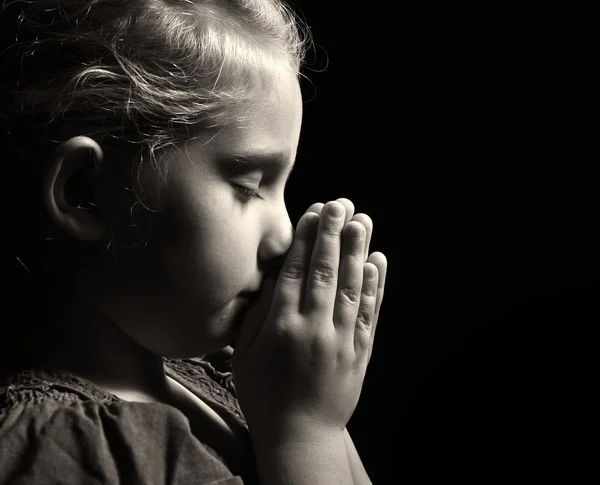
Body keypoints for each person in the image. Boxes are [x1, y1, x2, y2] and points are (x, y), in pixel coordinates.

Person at [1, 0, 388, 483]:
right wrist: (305, 434)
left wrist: (312, 416)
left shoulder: (230, 379)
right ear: (86, 193)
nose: (284, 237)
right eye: (248, 186)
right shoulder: (63, 449)